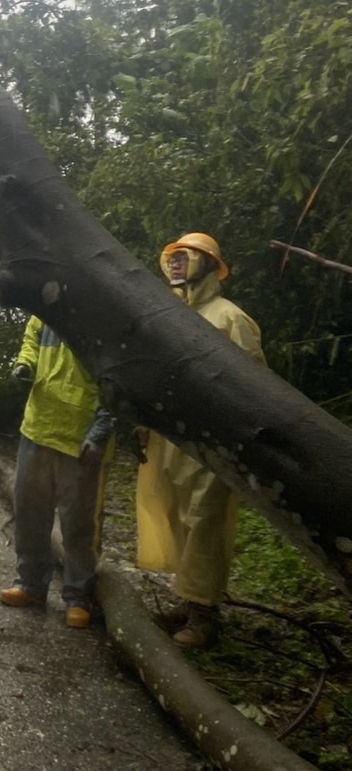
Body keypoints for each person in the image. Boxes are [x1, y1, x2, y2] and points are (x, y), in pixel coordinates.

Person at [136, 232, 265, 650]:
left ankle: (205, 616)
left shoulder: (230, 318)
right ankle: (187, 601)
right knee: (175, 514)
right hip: (173, 437)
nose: (175, 263)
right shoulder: (171, 316)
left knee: (205, 522)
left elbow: (254, 383)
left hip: (214, 441)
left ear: (208, 265)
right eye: (172, 257)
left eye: (185, 257)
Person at [0, 316, 114, 629]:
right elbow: (30, 345)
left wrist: (101, 429)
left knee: (77, 522)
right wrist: (24, 366)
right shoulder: (44, 313)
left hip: (79, 437)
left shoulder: (104, 320)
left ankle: (78, 596)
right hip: (38, 427)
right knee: (30, 512)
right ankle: (31, 585)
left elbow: (116, 380)